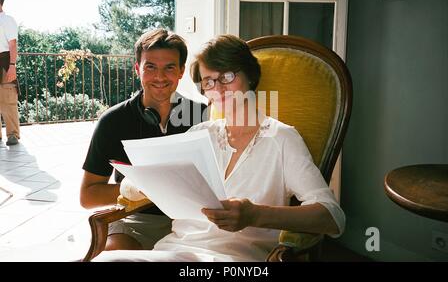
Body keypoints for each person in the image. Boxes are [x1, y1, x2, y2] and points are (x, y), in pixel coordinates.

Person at [93, 34, 345, 262]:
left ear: (250, 76)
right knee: (107, 260)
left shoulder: (281, 138)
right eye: (209, 81)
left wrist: (255, 215)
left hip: (237, 259)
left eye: (227, 76)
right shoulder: (198, 134)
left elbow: (332, 217)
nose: (219, 89)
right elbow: (136, 189)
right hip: (174, 251)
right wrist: (139, 182)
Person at [80, 28, 207, 251]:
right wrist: (141, 188)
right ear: (137, 68)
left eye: (169, 68)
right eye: (150, 67)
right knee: (113, 255)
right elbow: (88, 196)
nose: (159, 77)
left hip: (194, 224)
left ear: (181, 71)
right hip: (136, 221)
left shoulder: (203, 116)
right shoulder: (112, 121)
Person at [0, 0, 20, 146]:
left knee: (8, 99)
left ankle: (12, 134)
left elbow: (13, 44)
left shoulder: (7, 20)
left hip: (5, 62)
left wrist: (12, 65)